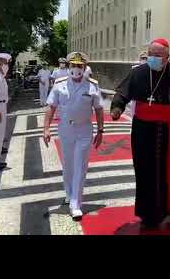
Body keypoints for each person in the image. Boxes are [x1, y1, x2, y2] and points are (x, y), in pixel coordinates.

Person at [110, 38, 170, 228]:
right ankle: (147, 213)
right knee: (145, 172)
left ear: (168, 57)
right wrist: (117, 107)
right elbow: (122, 94)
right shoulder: (138, 73)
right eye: (151, 55)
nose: (153, 58)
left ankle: (169, 207)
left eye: (158, 56)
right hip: (144, 132)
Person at [43, 51, 104, 220]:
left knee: (80, 165)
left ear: (85, 68)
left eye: (79, 66)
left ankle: (76, 203)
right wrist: (46, 128)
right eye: (73, 65)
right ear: (68, 66)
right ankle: (69, 194)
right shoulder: (59, 83)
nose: (76, 69)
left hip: (84, 129)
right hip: (65, 129)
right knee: (68, 164)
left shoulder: (92, 85)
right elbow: (50, 107)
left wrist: (100, 131)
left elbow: (99, 110)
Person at [128, 52, 148, 118]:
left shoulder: (151, 69)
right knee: (134, 115)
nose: (144, 60)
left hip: (146, 97)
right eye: (142, 58)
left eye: (146, 58)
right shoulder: (134, 69)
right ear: (139, 59)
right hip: (135, 96)